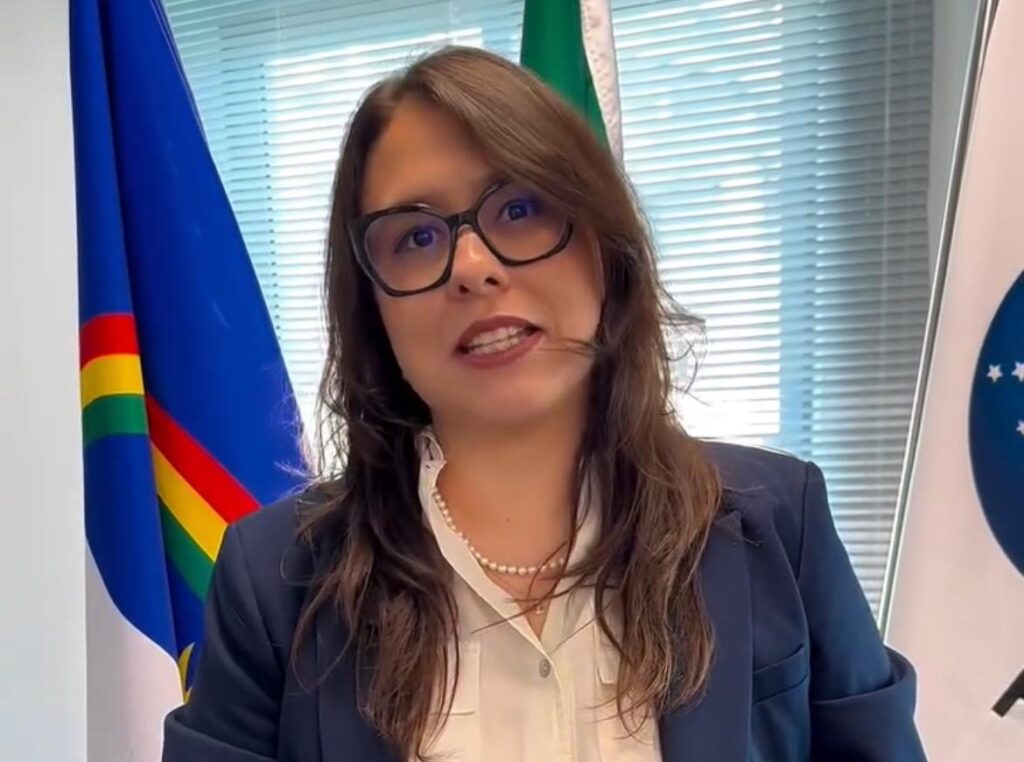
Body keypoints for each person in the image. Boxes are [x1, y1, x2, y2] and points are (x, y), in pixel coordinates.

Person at [163, 46, 926, 762]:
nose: (472, 266)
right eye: (416, 239)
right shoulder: (276, 579)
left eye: (521, 208)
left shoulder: (780, 522)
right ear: (373, 307)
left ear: (603, 244)